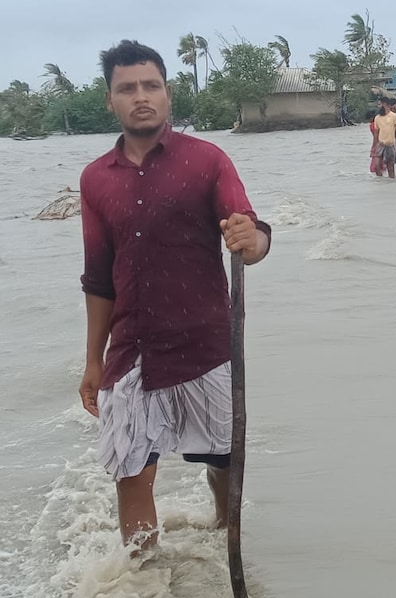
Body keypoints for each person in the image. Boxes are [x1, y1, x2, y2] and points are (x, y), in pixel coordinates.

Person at [77, 40, 272, 551]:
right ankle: (143, 581)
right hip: (131, 351)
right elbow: (98, 280)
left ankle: (225, 540)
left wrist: (254, 241)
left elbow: (250, 234)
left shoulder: (208, 161)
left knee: (223, 461)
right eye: (127, 88)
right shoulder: (95, 180)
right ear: (110, 100)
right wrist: (93, 362)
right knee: (131, 472)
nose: (141, 96)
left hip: (204, 348)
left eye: (151, 86)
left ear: (167, 93)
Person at [371, 97, 396, 178]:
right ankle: (381, 182)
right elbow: (376, 134)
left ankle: (391, 184)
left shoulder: (394, 116)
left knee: (390, 168)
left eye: (380, 104)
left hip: (390, 145)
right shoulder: (377, 118)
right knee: (377, 166)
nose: (379, 106)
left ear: (385, 105)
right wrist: (373, 147)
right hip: (380, 144)